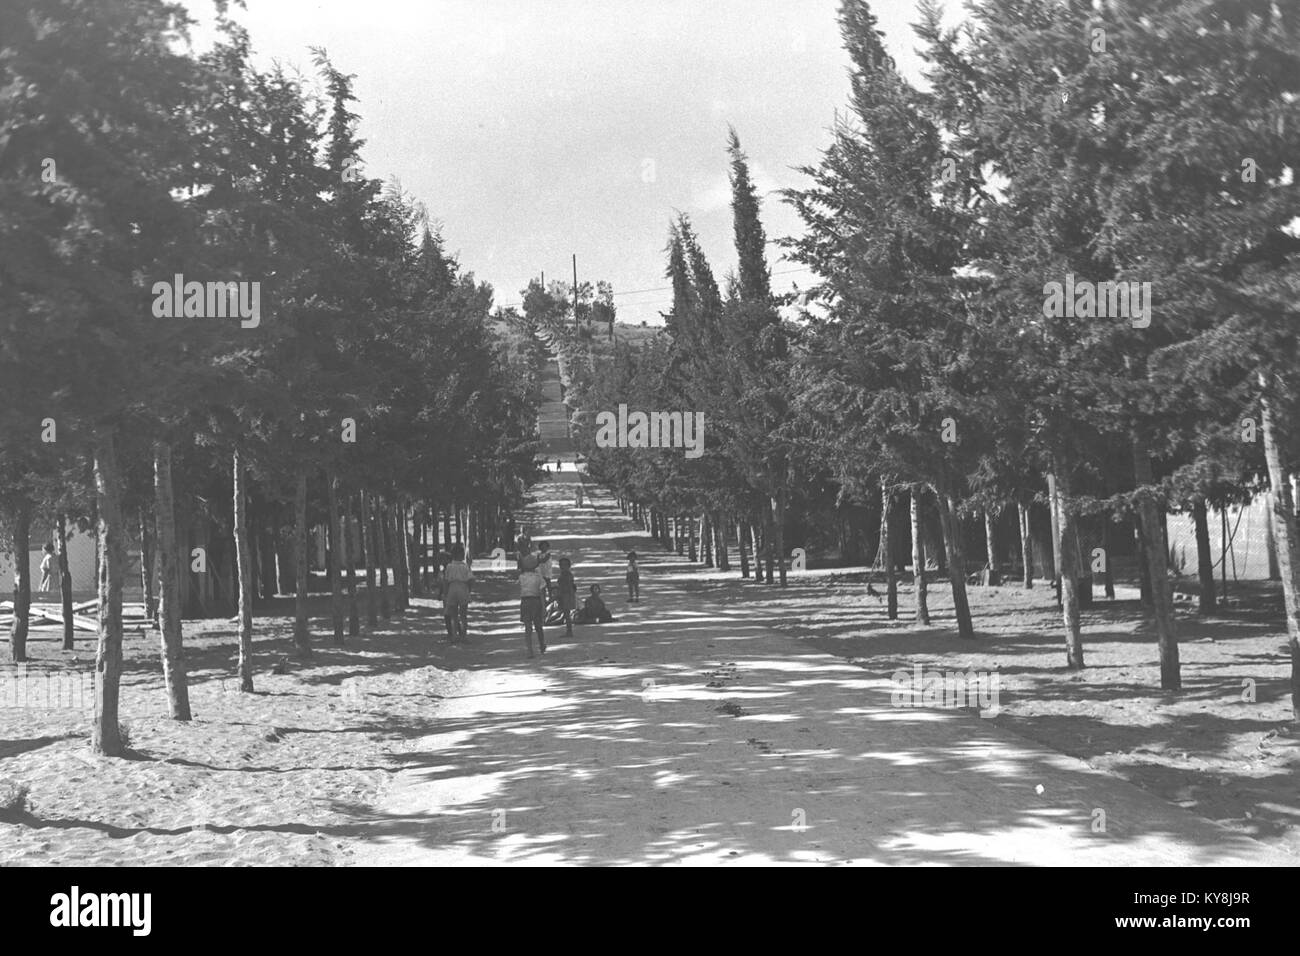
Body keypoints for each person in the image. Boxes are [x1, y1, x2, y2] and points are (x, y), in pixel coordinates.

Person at [442, 544, 473, 641]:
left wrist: (445, 592)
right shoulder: (465, 567)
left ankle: (454, 636)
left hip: (452, 588)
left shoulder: (449, 566)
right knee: (463, 614)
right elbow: (471, 579)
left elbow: (446, 580)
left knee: (454, 615)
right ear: (460, 554)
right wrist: (469, 590)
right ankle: (463, 636)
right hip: (463, 588)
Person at [518, 553, 547, 657]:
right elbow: (542, 593)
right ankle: (542, 645)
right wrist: (544, 607)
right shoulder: (539, 577)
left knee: (528, 627)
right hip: (536, 602)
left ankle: (530, 650)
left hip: (525, 602)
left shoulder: (521, 577)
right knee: (538, 626)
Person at [556, 556, 577, 637]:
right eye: (561, 565)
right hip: (565, 595)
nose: (562, 566)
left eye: (565, 565)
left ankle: (569, 631)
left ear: (568, 566)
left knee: (567, 614)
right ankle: (569, 630)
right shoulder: (564, 574)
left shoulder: (567, 575)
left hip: (566, 595)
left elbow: (568, 586)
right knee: (566, 614)